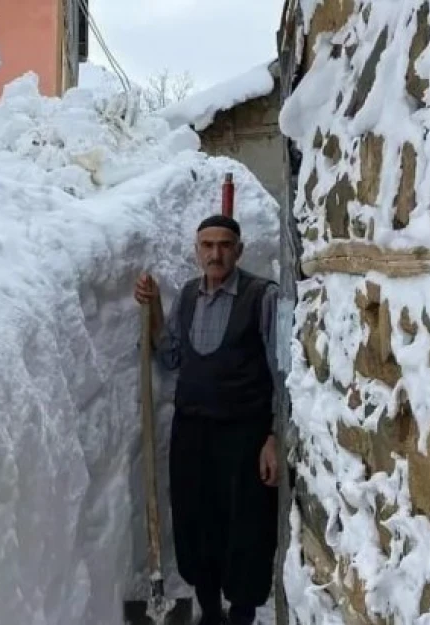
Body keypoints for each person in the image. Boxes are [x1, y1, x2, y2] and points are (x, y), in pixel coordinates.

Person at [133, 214, 281, 625]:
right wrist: (156, 308)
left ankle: (243, 614)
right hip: (193, 433)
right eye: (207, 245)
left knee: (246, 528)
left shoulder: (262, 297)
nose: (215, 253)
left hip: (244, 436)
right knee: (197, 523)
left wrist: (274, 437)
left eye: (224, 245)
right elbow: (172, 357)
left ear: (239, 249)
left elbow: (282, 371)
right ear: (197, 251)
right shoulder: (187, 296)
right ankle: (210, 611)